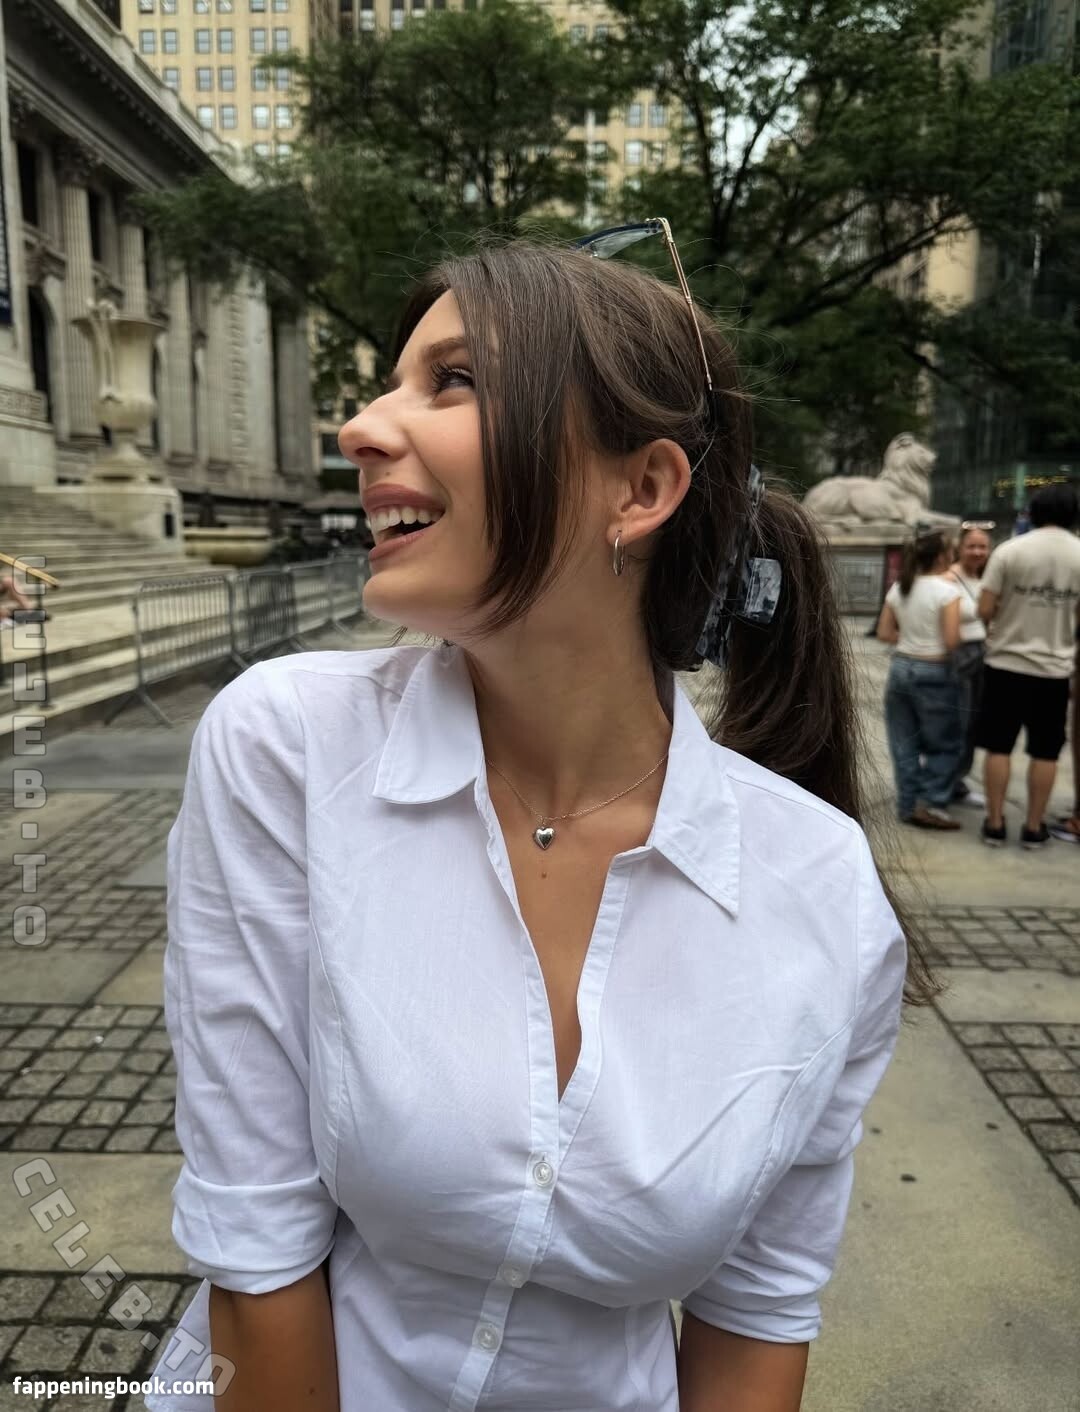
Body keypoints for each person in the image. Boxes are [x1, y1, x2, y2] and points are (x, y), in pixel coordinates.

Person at [147, 232, 934, 1412]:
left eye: (454, 381)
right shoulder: (289, 748)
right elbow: (257, 1243)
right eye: (391, 382)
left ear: (642, 489)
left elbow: (759, 1313)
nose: (360, 428)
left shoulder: (822, 887)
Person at [977, 483, 1080, 848]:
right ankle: (1034, 827)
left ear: (1033, 512)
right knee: (1046, 751)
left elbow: (984, 608)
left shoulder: (1010, 551)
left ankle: (994, 823)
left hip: (1006, 662)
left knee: (999, 747)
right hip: (1054, 669)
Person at [876, 529, 964, 829]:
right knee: (944, 743)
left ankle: (907, 804)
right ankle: (931, 804)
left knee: (904, 741)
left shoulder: (900, 587)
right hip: (934, 670)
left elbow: (884, 633)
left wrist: (909, 640)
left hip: (901, 667)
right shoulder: (947, 591)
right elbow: (951, 641)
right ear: (941, 557)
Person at [945, 523, 993, 805]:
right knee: (957, 723)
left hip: (983, 656)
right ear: (959, 548)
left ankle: (958, 780)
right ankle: (945, 783)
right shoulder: (948, 578)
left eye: (982, 547)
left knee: (974, 723)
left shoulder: (987, 579)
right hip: (960, 658)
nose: (977, 552)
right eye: (971, 546)